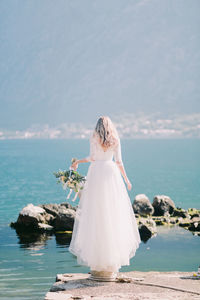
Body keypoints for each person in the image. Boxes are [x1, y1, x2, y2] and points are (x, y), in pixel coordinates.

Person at [68, 116, 141, 281]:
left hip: (96, 174)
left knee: (96, 215)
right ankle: (111, 264)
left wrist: (78, 161)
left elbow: (92, 158)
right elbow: (119, 162)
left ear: (98, 127)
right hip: (110, 174)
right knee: (113, 214)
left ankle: (98, 263)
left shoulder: (94, 138)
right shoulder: (115, 139)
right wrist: (127, 180)